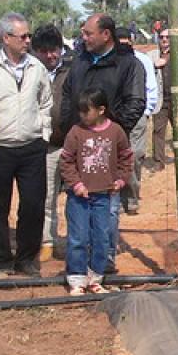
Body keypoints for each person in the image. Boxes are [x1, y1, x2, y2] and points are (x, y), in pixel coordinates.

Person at [60, 14, 146, 274]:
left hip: (109, 149)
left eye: (88, 33)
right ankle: (80, 257)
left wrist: (112, 133)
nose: (83, 38)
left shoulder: (128, 64)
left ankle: (104, 256)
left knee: (108, 204)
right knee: (78, 200)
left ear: (105, 35)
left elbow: (135, 102)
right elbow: (67, 96)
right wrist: (69, 127)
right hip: (79, 147)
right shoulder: (79, 62)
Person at [0, 12, 53, 276]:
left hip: (31, 146)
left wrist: (43, 133)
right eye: (23, 36)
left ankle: (27, 259)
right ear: (6, 38)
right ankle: (2, 258)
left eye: (28, 35)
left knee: (33, 204)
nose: (28, 40)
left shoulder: (36, 67)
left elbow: (45, 102)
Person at [60, 87, 133, 295]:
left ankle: (95, 277)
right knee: (78, 236)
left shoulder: (116, 132)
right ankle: (76, 278)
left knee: (102, 236)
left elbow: (126, 158)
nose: (82, 116)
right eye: (80, 111)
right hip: (79, 196)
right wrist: (76, 184)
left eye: (86, 111)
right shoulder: (76, 132)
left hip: (104, 195)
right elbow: (66, 161)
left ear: (101, 110)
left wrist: (120, 180)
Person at [32, 24, 71, 263]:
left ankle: (74, 242)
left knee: (77, 197)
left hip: (71, 143)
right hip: (43, 146)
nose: (50, 56)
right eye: (44, 51)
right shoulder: (29, 71)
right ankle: (47, 241)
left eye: (54, 50)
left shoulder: (74, 70)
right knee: (46, 197)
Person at [114, 27, 160, 216]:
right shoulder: (110, 62)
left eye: (127, 42)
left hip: (137, 116)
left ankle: (131, 199)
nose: (124, 45)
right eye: (120, 42)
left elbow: (150, 88)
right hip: (114, 116)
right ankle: (115, 198)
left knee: (133, 156)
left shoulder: (142, 61)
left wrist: (146, 111)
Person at [147, 31, 172, 172]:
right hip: (160, 99)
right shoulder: (151, 56)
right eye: (162, 37)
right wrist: (154, 66)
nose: (164, 39)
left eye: (167, 37)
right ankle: (158, 161)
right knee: (158, 130)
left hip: (177, 99)